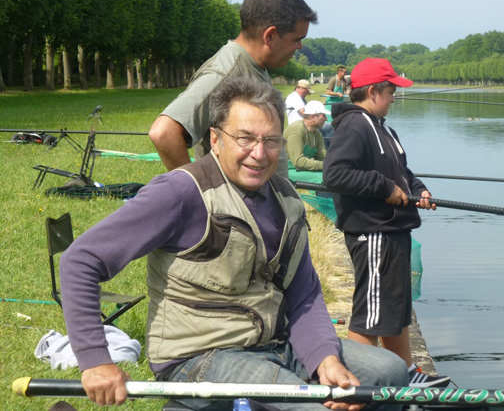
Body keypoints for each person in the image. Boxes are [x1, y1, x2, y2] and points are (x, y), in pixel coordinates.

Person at [60, 77, 409, 411]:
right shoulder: (180, 193)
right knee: (312, 406)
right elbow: (80, 260)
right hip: (200, 357)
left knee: (389, 373)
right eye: (245, 138)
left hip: (275, 344)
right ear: (215, 139)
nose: (259, 154)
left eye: (271, 141)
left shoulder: (286, 197)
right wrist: (95, 360)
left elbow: (304, 293)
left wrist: (324, 358)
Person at [323, 58, 451, 389]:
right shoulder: (354, 126)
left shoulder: (383, 127)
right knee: (370, 314)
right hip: (373, 232)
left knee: (394, 310)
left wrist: (418, 189)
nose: (394, 97)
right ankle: (354, 385)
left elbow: (402, 172)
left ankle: (407, 372)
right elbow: (335, 174)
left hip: (393, 230)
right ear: (373, 91)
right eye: (391, 90)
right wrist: (385, 187)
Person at [148, 0, 318, 178]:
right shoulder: (225, 74)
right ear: (270, 36)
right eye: (297, 39)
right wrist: (197, 194)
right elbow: (163, 133)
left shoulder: (253, 65)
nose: (300, 46)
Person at [283, 101, 329, 172]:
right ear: (313, 117)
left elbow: (322, 157)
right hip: (289, 170)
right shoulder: (297, 130)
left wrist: (333, 164)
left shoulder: (317, 134)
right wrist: (327, 165)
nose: (326, 119)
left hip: (303, 169)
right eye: (324, 115)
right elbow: (298, 161)